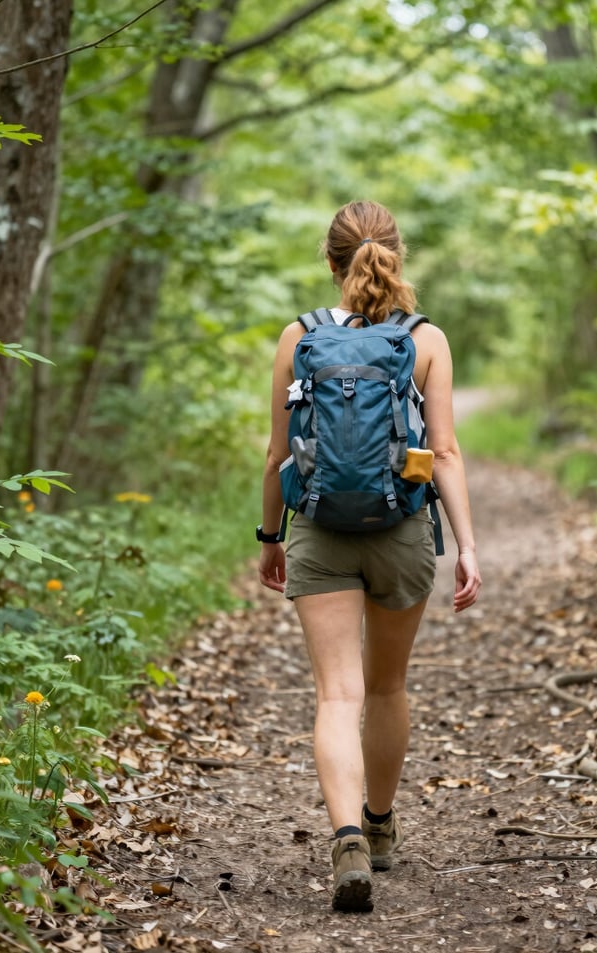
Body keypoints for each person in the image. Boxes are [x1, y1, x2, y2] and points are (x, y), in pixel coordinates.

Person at [258, 200, 481, 913]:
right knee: (386, 687)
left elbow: (274, 455)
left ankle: (346, 835)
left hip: (320, 529)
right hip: (402, 530)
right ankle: (381, 826)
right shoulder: (427, 339)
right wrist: (468, 544)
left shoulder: (300, 335)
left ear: (331, 262)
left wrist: (270, 539)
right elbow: (442, 451)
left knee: (337, 694)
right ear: (398, 257)